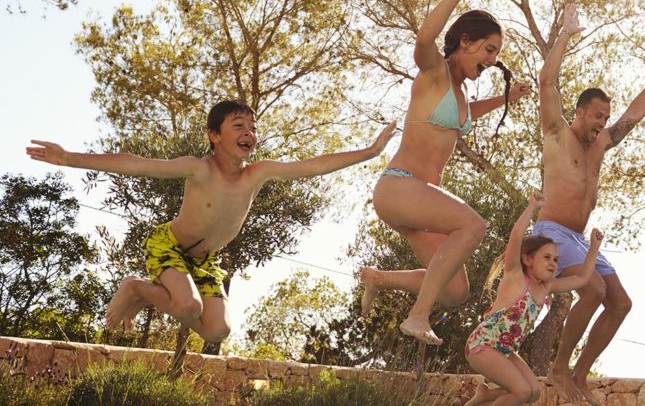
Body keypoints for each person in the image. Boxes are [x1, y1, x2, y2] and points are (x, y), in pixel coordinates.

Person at [25, 100, 396, 343]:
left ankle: (143, 292)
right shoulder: (199, 169)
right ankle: (135, 287)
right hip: (170, 247)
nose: (249, 133)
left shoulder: (257, 173)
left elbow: (311, 166)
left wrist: (369, 151)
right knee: (188, 307)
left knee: (217, 331)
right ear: (214, 136)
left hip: (204, 261)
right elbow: (136, 164)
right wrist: (70, 158)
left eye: (253, 127)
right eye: (238, 126)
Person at [359, 0, 532, 345]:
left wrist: (507, 97)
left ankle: (377, 278)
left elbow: (465, 114)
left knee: (454, 291)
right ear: (465, 42)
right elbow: (424, 40)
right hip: (399, 186)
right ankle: (418, 316)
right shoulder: (435, 72)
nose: (493, 60)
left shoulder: (461, 91)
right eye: (489, 49)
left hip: (418, 200)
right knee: (473, 226)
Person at [538, 3, 645, 405]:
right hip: (552, 232)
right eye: (597, 115)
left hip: (580, 240)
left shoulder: (602, 144)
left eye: (605, 117)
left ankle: (579, 374)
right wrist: (565, 34)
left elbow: (633, 116)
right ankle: (559, 368)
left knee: (621, 303)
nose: (602, 123)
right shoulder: (557, 133)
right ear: (580, 112)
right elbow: (547, 82)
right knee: (591, 290)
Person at [464, 192, 603, 406]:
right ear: (528, 259)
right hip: (484, 345)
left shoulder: (547, 287)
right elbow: (516, 236)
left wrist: (593, 247)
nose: (553, 263)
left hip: (506, 351)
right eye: (546, 257)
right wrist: (532, 207)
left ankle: (487, 396)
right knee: (521, 391)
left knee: (534, 392)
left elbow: (582, 279)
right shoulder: (515, 276)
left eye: (555, 259)